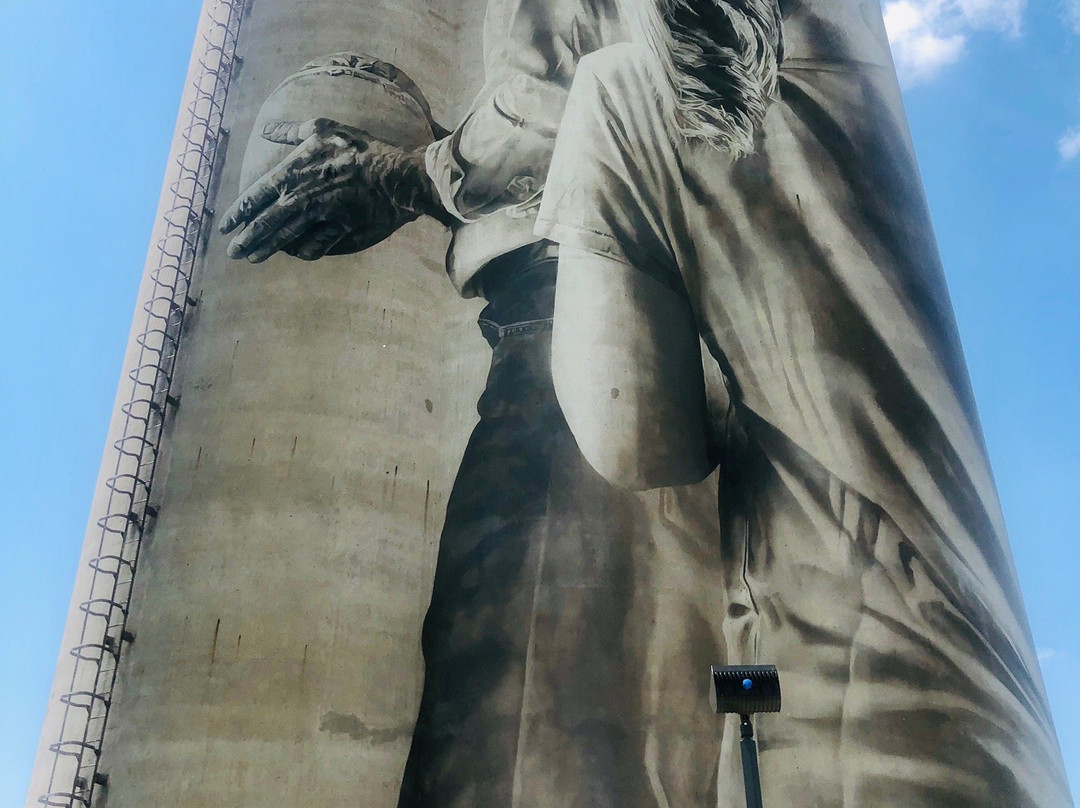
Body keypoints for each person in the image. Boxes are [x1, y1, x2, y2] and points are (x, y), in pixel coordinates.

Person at [533, 0, 1075, 805]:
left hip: (837, 710)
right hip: (998, 722)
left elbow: (633, 436)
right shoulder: (852, 62)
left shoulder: (639, 88)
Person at [218, 2, 748, 806]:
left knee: (510, 693)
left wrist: (401, 173)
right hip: (667, 327)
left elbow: (555, 114)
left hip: (582, 324)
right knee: (624, 708)